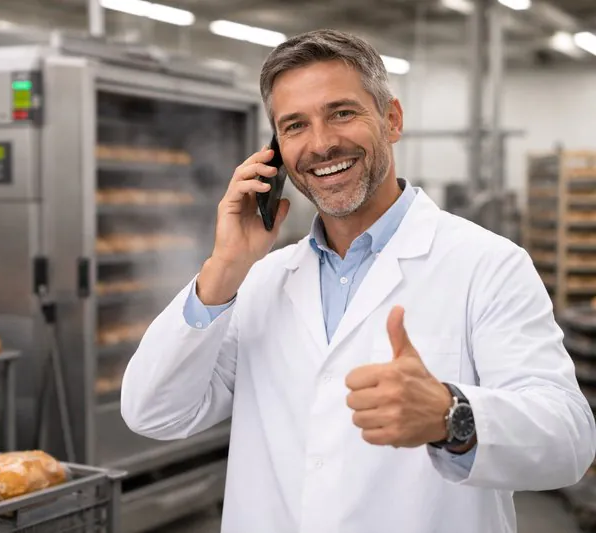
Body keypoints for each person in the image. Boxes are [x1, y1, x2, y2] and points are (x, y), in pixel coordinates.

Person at [120, 29, 596, 533]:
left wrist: (451, 415)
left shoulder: (488, 265)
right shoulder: (260, 281)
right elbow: (153, 413)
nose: (321, 144)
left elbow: (568, 441)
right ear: (275, 152)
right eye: (295, 125)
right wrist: (222, 267)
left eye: (342, 113)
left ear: (392, 119)